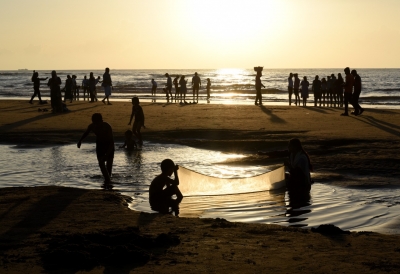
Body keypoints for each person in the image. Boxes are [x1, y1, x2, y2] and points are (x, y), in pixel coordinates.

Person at [77, 113, 115, 186]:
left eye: (97, 122)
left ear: (101, 120)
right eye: (94, 122)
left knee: (109, 166)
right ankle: (107, 180)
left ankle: (108, 183)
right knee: (101, 163)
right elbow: (86, 133)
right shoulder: (92, 126)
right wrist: (80, 140)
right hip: (100, 145)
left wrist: (107, 154)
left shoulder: (107, 126)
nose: (96, 124)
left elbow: (111, 141)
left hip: (109, 145)